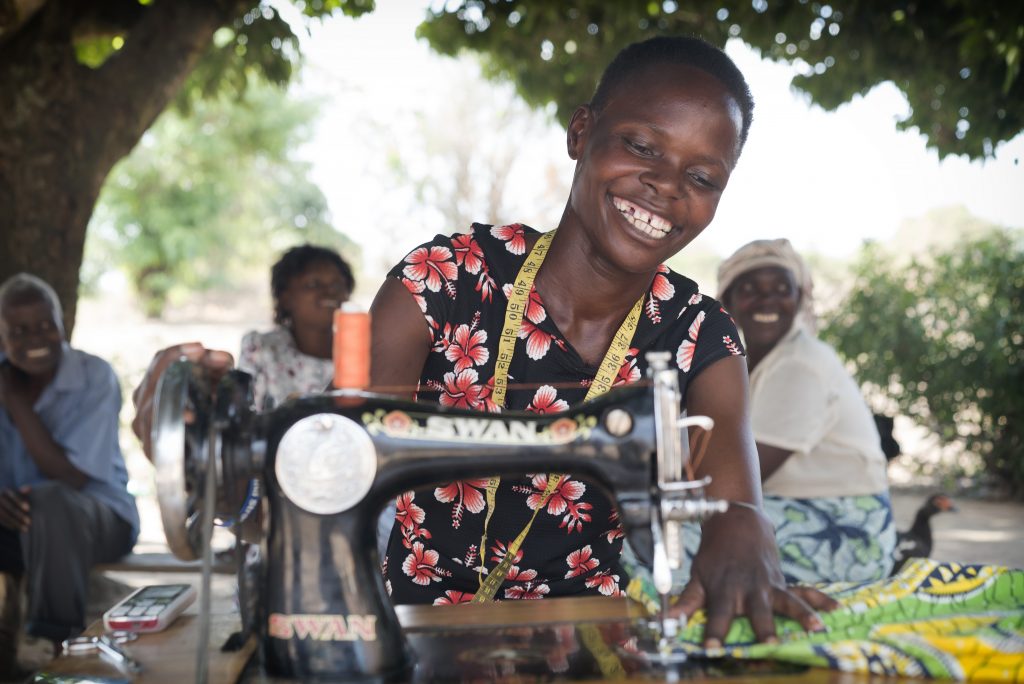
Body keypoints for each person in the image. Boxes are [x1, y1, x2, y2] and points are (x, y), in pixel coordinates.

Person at [132, 35, 834, 649]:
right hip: (407, 630)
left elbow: (736, 506)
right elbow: (323, 473)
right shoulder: (443, 284)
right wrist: (209, 457)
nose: (665, 186)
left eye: (703, 176)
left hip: (584, 637)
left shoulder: (703, 337)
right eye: (642, 146)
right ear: (581, 132)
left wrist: (745, 534)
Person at [716, 238, 896, 583]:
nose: (767, 299)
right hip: (796, 510)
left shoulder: (799, 365)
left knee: (654, 542)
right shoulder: (749, 363)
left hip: (846, 531)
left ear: (799, 299)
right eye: (751, 289)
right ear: (729, 302)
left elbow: (742, 478)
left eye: (781, 288)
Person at [0, 273, 139, 676]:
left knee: (49, 499)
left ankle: (52, 645)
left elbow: (70, 477)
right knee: (35, 506)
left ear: (63, 325)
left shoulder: (94, 376)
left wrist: (14, 402)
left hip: (98, 520)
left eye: (46, 326)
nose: (35, 339)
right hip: (19, 527)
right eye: (19, 330)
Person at [237, 244, 355, 410]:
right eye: (313, 284)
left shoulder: (359, 354)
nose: (329, 293)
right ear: (285, 297)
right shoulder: (262, 348)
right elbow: (245, 415)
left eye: (337, 286)